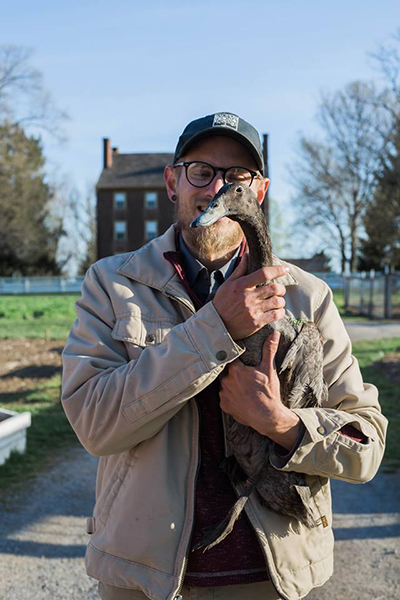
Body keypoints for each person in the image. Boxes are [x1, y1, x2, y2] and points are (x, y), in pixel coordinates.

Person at [61, 112, 387, 600]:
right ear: (172, 182)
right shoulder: (113, 285)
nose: (217, 188)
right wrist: (217, 328)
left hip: (268, 580)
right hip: (145, 581)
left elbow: (367, 445)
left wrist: (280, 423)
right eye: (201, 171)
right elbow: (95, 423)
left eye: (237, 177)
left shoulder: (308, 296)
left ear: (259, 191)